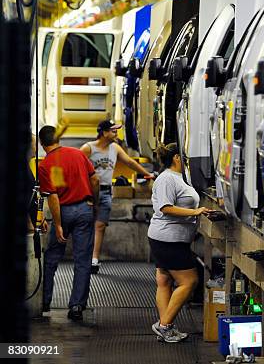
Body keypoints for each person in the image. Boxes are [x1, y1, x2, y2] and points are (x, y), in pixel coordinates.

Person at [148, 143, 210, 343]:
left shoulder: (178, 178)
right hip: (168, 238)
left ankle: (166, 326)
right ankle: (164, 325)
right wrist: (195, 211)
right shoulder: (167, 178)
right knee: (189, 281)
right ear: (176, 158)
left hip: (170, 238)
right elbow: (166, 207)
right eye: (185, 157)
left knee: (164, 280)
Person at [38, 125, 99, 321]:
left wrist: (57, 224)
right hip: (84, 210)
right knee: (82, 260)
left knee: (51, 258)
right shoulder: (78, 154)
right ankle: (76, 307)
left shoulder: (45, 165)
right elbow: (95, 179)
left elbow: (53, 197)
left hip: (62, 211)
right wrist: (93, 202)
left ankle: (44, 302)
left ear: (41, 143)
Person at [81, 120, 154, 274]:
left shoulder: (114, 148)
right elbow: (76, 167)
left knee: (100, 226)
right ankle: (84, 258)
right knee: (86, 225)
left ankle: (94, 260)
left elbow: (129, 162)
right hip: (88, 192)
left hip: (106, 192)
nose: (116, 133)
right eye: (113, 131)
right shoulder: (88, 148)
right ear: (104, 132)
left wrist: (147, 174)